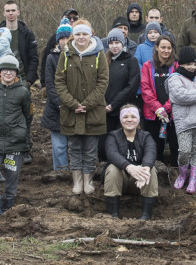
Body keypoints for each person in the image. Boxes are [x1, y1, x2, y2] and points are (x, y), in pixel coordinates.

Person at [55, 20, 108, 195]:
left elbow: (103, 82)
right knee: (75, 148)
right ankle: (77, 182)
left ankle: (88, 181)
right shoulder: (66, 54)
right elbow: (59, 82)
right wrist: (72, 104)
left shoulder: (100, 54)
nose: (81, 37)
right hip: (71, 111)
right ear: (73, 36)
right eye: (77, 34)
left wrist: (86, 104)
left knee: (91, 149)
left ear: (90, 35)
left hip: (93, 111)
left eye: (84, 34)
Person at [0, 55, 32, 218]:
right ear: (0, 72)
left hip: (14, 143)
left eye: (11, 70)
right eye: (5, 70)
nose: (8, 73)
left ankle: (9, 205)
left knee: (12, 175)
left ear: (16, 73)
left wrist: (22, 133)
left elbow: (28, 115)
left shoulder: (23, 92)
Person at [167, 46, 196, 194]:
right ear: (181, 64)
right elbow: (182, 96)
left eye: (194, 64)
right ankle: (182, 175)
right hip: (185, 123)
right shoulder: (174, 79)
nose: (192, 67)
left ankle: (193, 180)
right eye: (189, 64)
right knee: (184, 151)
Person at [103, 104, 159, 219]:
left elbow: (151, 152)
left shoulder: (146, 136)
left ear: (138, 119)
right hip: (120, 181)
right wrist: (129, 167)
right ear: (120, 119)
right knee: (112, 168)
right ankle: (113, 215)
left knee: (151, 170)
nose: (129, 120)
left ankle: (145, 216)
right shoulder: (113, 136)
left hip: (139, 182)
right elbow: (112, 153)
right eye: (125, 117)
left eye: (133, 117)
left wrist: (145, 168)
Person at [100, 28, 141, 160]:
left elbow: (131, 87)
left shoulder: (131, 61)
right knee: (103, 144)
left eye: (117, 42)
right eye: (111, 43)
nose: (114, 46)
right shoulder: (104, 61)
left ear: (123, 43)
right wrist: (103, 104)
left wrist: (113, 105)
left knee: (122, 144)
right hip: (104, 111)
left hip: (123, 111)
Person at [140, 35, 179, 165]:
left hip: (173, 113)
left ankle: (175, 170)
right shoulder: (147, 66)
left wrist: (166, 108)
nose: (166, 50)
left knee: (175, 143)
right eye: (163, 47)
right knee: (155, 144)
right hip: (152, 113)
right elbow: (145, 89)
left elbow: (177, 90)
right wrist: (158, 108)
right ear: (156, 47)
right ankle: (156, 169)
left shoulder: (176, 66)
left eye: (169, 48)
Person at [41, 19, 72, 173]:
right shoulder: (51, 58)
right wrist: (60, 104)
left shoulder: (78, 57)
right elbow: (50, 84)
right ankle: (61, 172)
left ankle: (75, 172)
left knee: (74, 145)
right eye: (62, 38)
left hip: (75, 107)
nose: (65, 41)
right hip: (56, 108)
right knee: (59, 146)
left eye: (67, 38)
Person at [0, 0, 39, 87]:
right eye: (8, 11)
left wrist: (29, 81)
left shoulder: (27, 34)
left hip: (22, 78)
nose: (11, 13)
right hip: (1, 77)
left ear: (18, 12)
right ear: (4, 13)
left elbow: (33, 58)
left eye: (13, 10)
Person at [39, 8, 79, 83]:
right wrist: (44, 83)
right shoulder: (54, 38)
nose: (72, 20)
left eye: (75, 18)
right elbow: (45, 61)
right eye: (69, 18)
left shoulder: (83, 37)